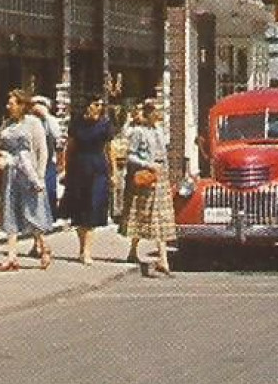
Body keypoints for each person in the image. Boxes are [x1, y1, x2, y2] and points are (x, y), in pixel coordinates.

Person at [0, 90, 54, 271]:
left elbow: (42, 150)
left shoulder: (33, 123)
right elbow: (2, 147)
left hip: (29, 173)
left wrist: (41, 175)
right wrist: (1, 157)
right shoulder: (6, 124)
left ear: (22, 105)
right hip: (11, 173)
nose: (8, 106)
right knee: (10, 210)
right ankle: (12, 256)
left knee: (32, 210)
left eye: (12, 103)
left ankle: (44, 247)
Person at [122, 98, 175, 278]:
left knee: (160, 218)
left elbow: (164, 152)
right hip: (146, 177)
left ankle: (163, 259)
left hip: (160, 176)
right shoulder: (138, 132)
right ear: (147, 113)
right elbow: (130, 156)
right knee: (143, 215)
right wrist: (147, 164)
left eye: (158, 111)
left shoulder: (159, 130)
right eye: (153, 111)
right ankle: (133, 249)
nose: (157, 115)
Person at [62, 96, 116, 265]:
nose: (99, 108)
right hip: (79, 167)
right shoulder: (77, 124)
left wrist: (113, 172)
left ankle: (87, 251)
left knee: (93, 206)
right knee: (79, 209)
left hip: (98, 167)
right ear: (87, 105)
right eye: (95, 104)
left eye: (101, 105)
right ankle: (81, 246)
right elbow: (69, 147)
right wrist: (65, 168)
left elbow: (109, 149)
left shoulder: (105, 125)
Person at [33, 94, 62, 219]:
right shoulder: (29, 121)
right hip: (33, 160)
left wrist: (46, 116)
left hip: (49, 161)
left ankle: (51, 215)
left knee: (50, 189)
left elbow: (57, 135)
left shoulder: (51, 121)